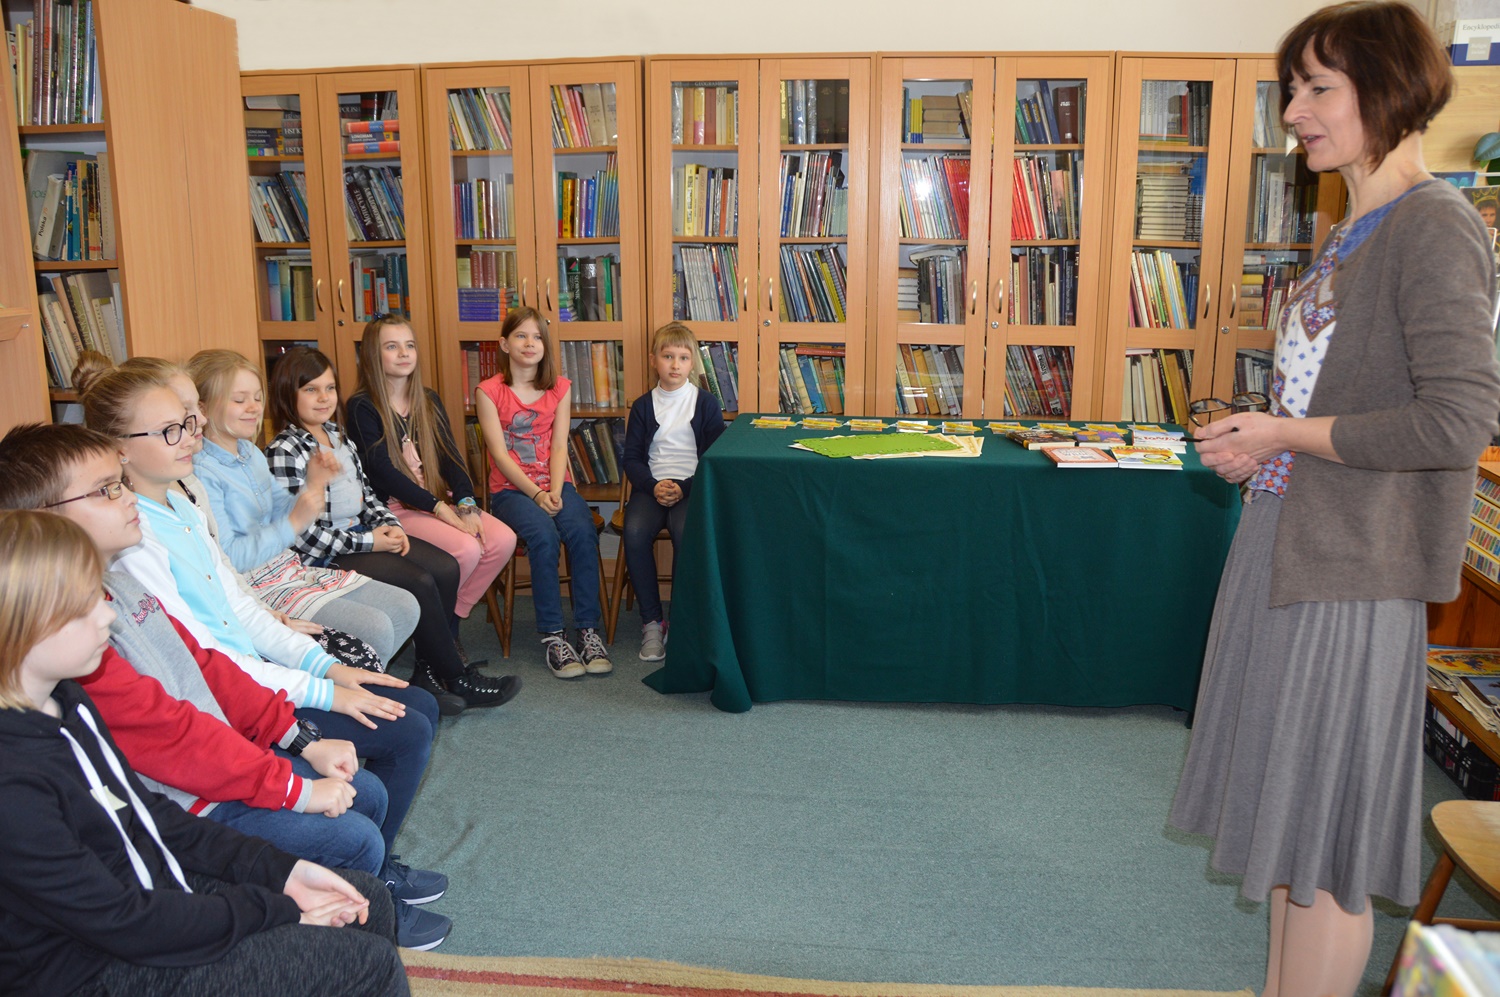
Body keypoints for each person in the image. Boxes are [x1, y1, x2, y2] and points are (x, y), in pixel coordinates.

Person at [1169, 4, 1500, 995]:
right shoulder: (1353, 228)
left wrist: (1285, 436)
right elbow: (1340, 403)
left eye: (1319, 87)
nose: (1294, 112)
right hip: (1292, 546)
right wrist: (1263, 445)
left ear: (1388, 88)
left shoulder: (1434, 226)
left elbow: (1456, 421)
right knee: (1289, 836)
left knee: (1320, 852)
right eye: (1293, 89)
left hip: (1350, 577)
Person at [0, 420, 453, 951]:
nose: (126, 497)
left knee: (368, 790)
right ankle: (350, 926)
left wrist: (301, 739)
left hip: (215, 765)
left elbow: (208, 665)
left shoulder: (120, 582)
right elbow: (170, 733)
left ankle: (360, 906)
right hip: (188, 799)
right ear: (41, 521)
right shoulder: (77, 643)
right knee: (354, 832)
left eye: (119, 483)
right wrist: (294, 787)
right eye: (105, 490)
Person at [0, 509, 409, 997]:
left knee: (367, 901)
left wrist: (283, 872)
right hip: (89, 967)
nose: (107, 614)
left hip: (148, 892)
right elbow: (120, 921)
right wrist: (279, 910)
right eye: (83, 605)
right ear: (20, 626)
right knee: (368, 964)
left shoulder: (68, 700)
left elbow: (150, 815)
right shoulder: (13, 780)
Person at [266, 346, 520, 713]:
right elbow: (305, 536)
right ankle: (457, 678)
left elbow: (368, 495)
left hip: (361, 536)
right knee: (420, 581)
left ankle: (427, 674)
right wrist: (370, 541)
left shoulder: (338, 436)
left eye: (330, 388)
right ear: (287, 394)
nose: (324, 398)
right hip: (325, 555)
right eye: (311, 390)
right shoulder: (285, 450)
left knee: (446, 567)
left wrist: (389, 524)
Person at [189, 348, 421, 668]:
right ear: (202, 408)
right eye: (239, 400)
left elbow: (282, 507)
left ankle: (362, 679)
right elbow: (231, 558)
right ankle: (355, 685)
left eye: (257, 397)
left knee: (406, 606)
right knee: (376, 627)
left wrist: (313, 485)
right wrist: (294, 521)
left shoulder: (249, 452)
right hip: (256, 586)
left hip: (288, 566)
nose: (254, 407)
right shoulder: (202, 471)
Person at [345, 316, 516, 661]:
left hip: (437, 500)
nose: (403, 353)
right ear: (373, 355)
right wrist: (440, 509)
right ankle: (445, 640)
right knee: (466, 549)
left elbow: (452, 457)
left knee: (502, 540)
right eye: (392, 346)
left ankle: (446, 622)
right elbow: (382, 472)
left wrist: (465, 504)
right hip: (394, 508)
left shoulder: (428, 400)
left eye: (409, 345)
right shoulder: (362, 405)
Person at [476, 307, 612, 679]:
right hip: (511, 492)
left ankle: (587, 630)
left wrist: (553, 489)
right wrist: (537, 495)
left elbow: (558, 446)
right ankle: (554, 636)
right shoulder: (489, 392)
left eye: (537, 336)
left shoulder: (559, 388)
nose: (530, 343)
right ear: (504, 344)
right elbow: (500, 456)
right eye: (520, 335)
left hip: (555, 484)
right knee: (544, 537)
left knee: (583, 531)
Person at [621, 322, 725, 660]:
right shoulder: (643, 405)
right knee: (634, 532)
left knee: (686, 532)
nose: (675, 365)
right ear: (654, 360)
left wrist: (683, 487)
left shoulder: (706, 403)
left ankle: (680, 618)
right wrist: (654, 486)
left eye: (683, 357)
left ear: (692, 362)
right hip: (650, 487)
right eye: (668, 356)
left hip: (691, 487)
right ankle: (652, 622)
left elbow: (712, 457)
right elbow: (632, 459)